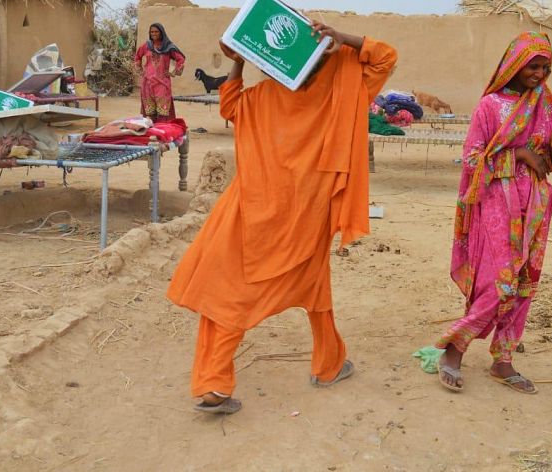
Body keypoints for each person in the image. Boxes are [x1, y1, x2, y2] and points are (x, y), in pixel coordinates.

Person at [166, 22, 398, 414]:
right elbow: (385, 56)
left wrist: (238, 65)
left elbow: (229, 105)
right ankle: (329, 364)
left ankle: (216, 382)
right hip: (309, 215)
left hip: (252, 211)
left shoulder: (263, 96)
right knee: (311, 284)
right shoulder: (342, 93)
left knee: (232, 287)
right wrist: (345, 38)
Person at [434, 31, 552, 395]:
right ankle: (454, 347)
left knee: (525, 283)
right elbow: (472, 159)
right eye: (533, 67)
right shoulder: (490, 106)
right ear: (515, 65)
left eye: (545, 68)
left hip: (535, 206)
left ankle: (503, 359)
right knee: (500, 281)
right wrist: (519, 155)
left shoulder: (545, 103)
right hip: (496, 204)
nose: (540, 74)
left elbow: (548, 165)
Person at [134, 23, 185, 121]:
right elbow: (137, 57)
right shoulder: (146, 46)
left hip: (162, 84)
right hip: (147, 83)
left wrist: (173, 71)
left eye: (156, 31)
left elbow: (181, 59)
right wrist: (140, 70)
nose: (154, 34)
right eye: (152, 32)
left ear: (161, 33)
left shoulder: (169, 47)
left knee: (163, 112)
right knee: (150, 113)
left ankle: (161, 133)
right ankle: (151, 134)